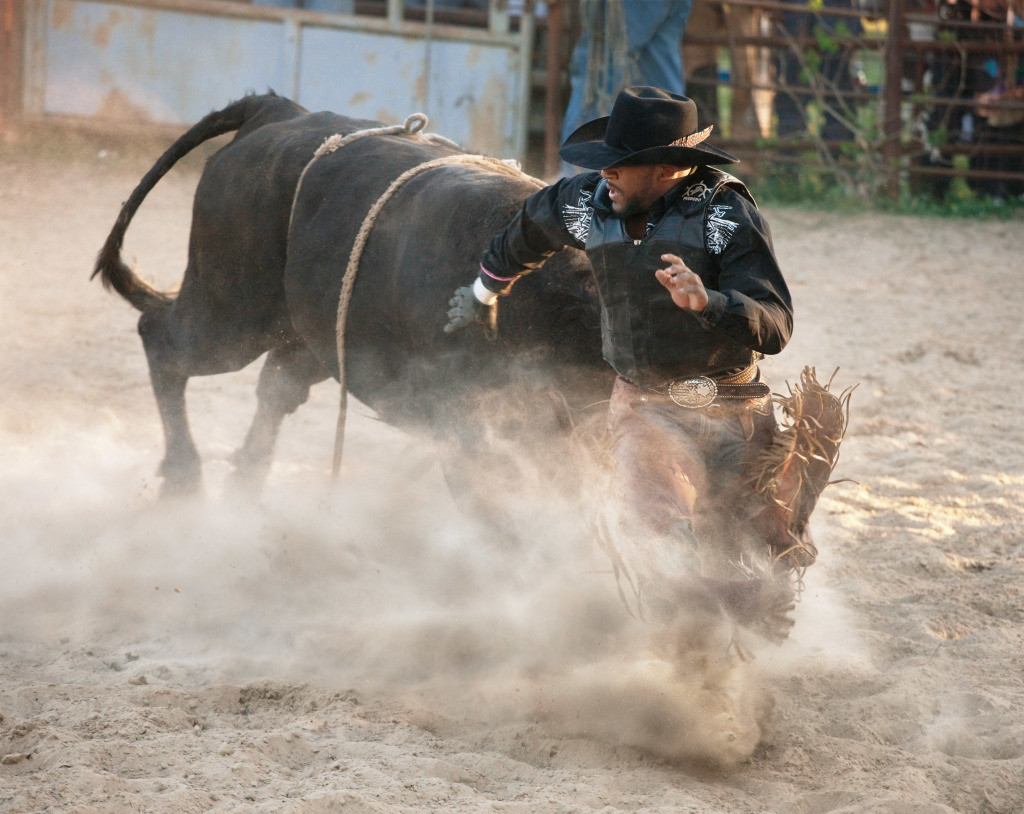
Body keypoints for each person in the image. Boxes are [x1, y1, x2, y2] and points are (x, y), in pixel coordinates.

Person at [444, 86, 829, 638]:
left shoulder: (725, 215)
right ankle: (691, 627)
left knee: (771, 545)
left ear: (671, 167)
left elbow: (776, 322)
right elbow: (526, 232)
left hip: (736, 409)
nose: (606, 175)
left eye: (622, 165)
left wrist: (710, 301)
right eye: (606, 163)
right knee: (658, 530)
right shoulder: (583, 202)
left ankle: (740, 614)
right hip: (649, 407)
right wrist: (483, 294)